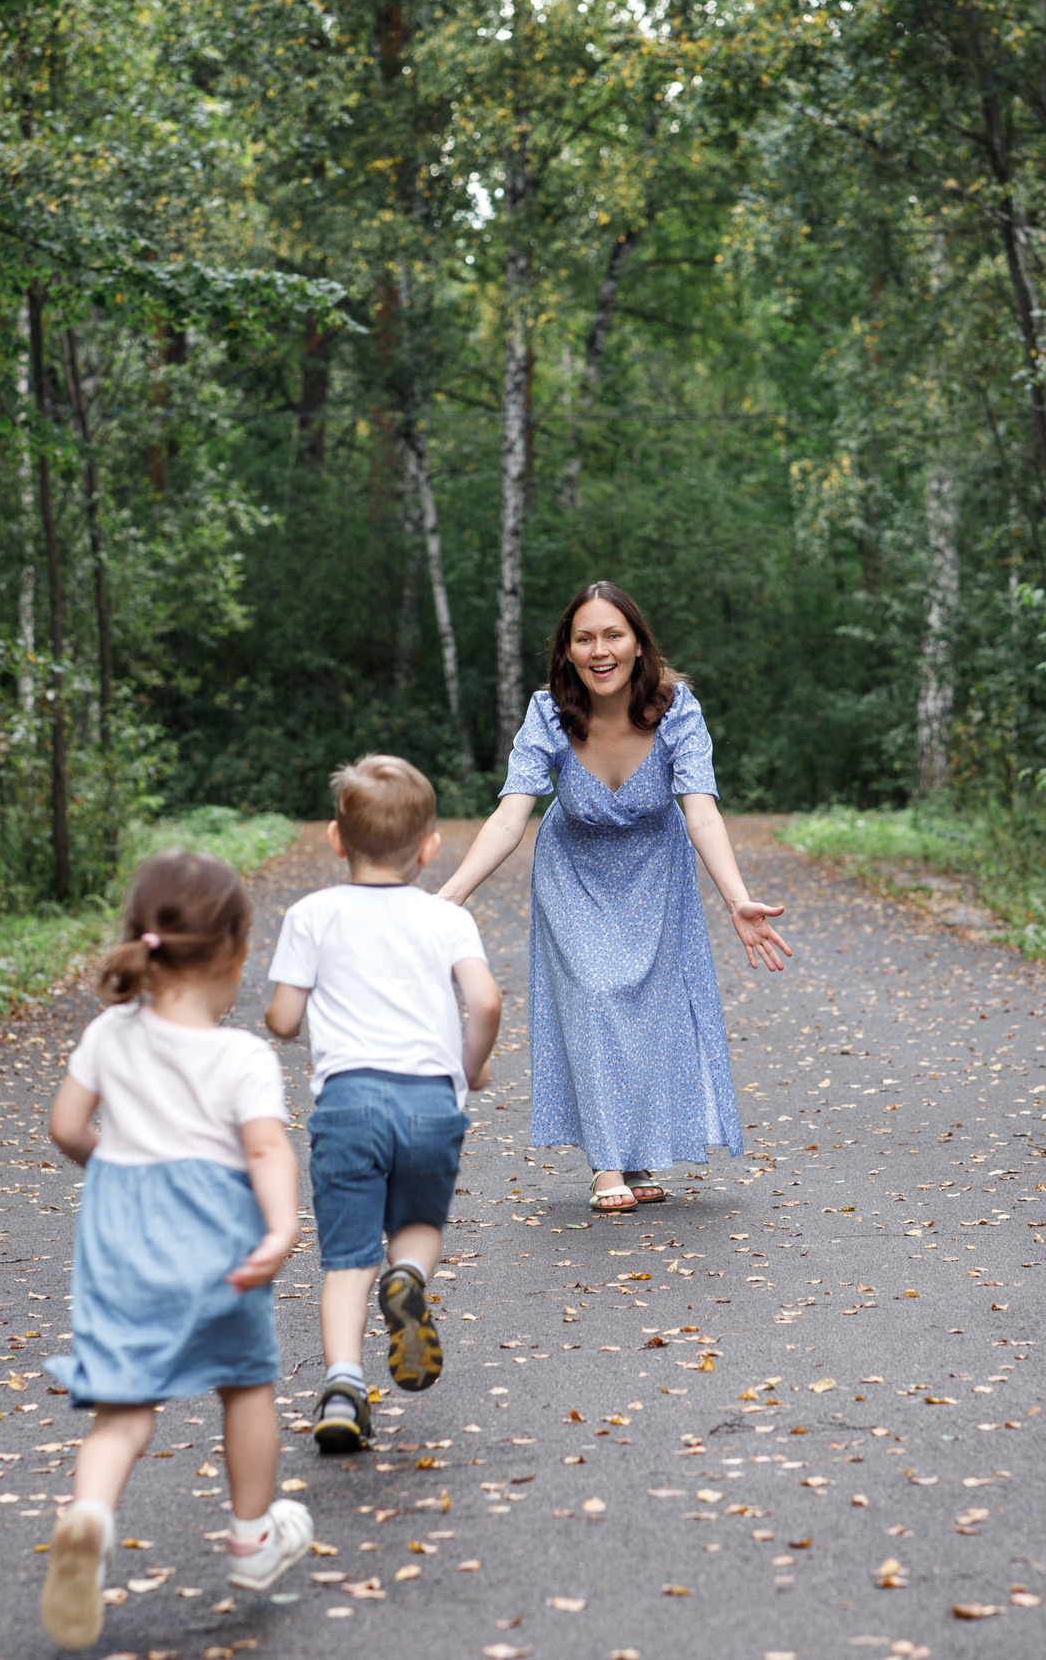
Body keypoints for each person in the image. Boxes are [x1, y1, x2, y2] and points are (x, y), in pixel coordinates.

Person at [436, 581, 791, 1214]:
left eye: (612, 635)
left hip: (658, 873)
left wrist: (736, 897)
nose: (600, 650)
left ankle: (637, 1156)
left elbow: (701, 810)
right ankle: (606, 1163)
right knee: (596, 998)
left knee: (650, 1010)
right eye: (584, 638)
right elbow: (511, 814)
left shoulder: (677, 708)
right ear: (567, 652)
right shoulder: (548, 712)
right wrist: (453, 894)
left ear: (636, 644)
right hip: (574, 872)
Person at [39, 852, 314, 1649]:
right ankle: (253, 1537)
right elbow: (266, 1152)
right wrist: (279, 1228)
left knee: (123, 1410)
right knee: (245, 1381)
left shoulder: (107, 1033)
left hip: (120, 1240)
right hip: (216, 1236)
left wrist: (116, 1166)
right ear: (233, 955)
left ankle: (88, 1515)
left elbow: (65, 1126)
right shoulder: (241, 1057)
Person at [264, 755, 502, 1453]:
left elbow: (282, 1019)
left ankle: (342, 1385)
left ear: (336, 838)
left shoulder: (312, 914)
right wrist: (470, 1066)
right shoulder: (444, 917)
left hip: (348, 1105)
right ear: (429, 849)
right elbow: (484, 1000)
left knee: (344, 1259)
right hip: (432, 1104)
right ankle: (410, 1278)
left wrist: (289, 1017)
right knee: (419, 1222)